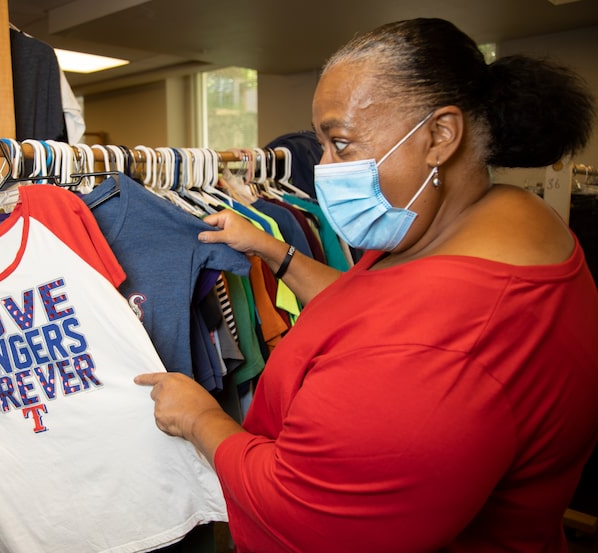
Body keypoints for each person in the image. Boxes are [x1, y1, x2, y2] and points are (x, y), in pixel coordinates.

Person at [135, 18, 598, 553]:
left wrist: (200, 419)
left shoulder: (438, 344)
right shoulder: (488, 225)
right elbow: (368, 306)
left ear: (440, 136)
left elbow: (306, 515)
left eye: (341, 143)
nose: (325, 168)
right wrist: (273, 249)